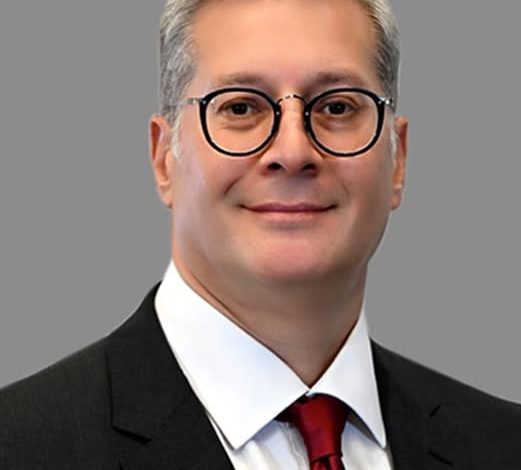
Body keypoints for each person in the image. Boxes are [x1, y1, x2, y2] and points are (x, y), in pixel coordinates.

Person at [1, 0, 520, 469]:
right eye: (241, 107)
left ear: (397, 159)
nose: (292, 152)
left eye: (337, 107)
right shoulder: (19, 445)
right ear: (163, 158)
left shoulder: (504, 444)